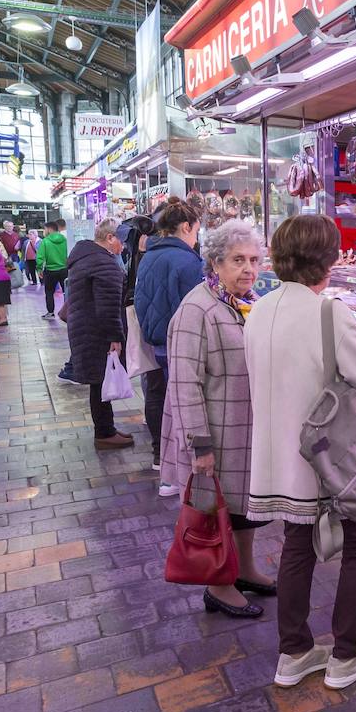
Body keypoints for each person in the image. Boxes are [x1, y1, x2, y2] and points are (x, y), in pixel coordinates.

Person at [247, 215, 356, 690]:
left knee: (296, 546)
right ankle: (347, 654)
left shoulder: (259, 308)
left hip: (280, 456)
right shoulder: (329, 312)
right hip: (331, 458)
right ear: (327, 260)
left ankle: (294, 652)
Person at [160, 221, 272, 619]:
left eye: (255, 260)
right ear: (215, 262)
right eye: (238, 260)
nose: (248, 269)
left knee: (243, 505)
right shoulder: (197, 308)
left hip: (243, 427)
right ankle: (218, 584)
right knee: (213, 508)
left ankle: (244, 569)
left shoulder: (247, 301)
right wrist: (199, 444)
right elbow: (184, 382)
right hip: (213, 432)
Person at [134, 197, 204, 494]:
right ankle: (180, 475)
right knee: (184, 408)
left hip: (157, 341)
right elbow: (196, 309)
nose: (196, 237)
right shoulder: (187, 261)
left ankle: (166, 469)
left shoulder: (149, 256)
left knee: (167, 403)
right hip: (180, 344)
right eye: (196, 231)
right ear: (186, 226)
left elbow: (141, 299)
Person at [65, 217, 133, 450]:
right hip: (97, 332)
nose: (123, 247)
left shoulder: (84, 256)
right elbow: (108, 306)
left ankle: (107, 428)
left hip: (84, 328)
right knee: (100, 380)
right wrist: (115, 336)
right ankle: (104, 433)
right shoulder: (104, 263)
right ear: (109, 238)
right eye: (121, 241)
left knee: (99, 381)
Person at [38, 220, 69, 318]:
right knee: (66, 291)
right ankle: (68, 312)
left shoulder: (45, 241)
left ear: (49, 229)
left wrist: (39, 269)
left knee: (49, 292)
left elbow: (40, 257)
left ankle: (50, 312)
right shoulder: (64, 239)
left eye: (45, 229)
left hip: (50, 270)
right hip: (64, 269)